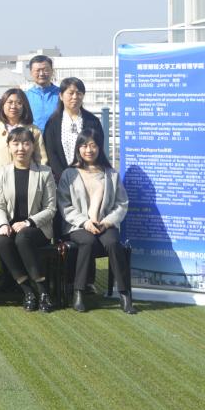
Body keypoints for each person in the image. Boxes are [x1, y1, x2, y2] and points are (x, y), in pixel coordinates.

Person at [58, 129, 137, 314]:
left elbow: (121, 204)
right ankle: (79, 292)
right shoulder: (69, 173)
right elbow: (64, 205)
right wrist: (85, 222)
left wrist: (107, 223)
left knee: (113, 243)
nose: (89, 150)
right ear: (78, 148)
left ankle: (124, 294)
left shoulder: (111, 174)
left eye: (93, 145)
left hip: (105, 224)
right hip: (78, 225)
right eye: (84, 145)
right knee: (87, 241)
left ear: (100, 148)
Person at [0, 126, 57, 313]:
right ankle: (28, 291)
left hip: (37, 228)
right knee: (1, 240)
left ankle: (43, 292)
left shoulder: (45, 173)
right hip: (10, 226)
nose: (21, 148)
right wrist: (3, 224)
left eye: (26, 143)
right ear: (9, 147)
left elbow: (51, 208)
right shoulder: (0, 174)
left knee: (23, 237)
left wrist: (28, 222)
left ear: (33, 146)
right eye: (16, 143)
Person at [44, 77, 104, 180]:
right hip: (60, 179)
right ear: (61, 96)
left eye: (79, 93)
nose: (75, 97)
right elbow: (51, 153)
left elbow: (98, 148)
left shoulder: (93, 121)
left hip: (88, 177)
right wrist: (63, 176)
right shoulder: (52, 123)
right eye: (71, 93)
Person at [0, 88, 48, 173]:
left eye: (19, 103)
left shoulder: (34, 131)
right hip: (1, 178)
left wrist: (40, 176)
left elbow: (41, 159)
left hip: (28, 176)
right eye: (10, 102)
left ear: (24, 106)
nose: (13, 106)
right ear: (2, 105)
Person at [25, 54, 59, 131]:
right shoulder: (25, 96)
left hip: (56, 137)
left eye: (45, 70)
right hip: (32, 137)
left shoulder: (61, 94)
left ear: (52, 71)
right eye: (37, 70)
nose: (41, 74)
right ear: (31, 73)